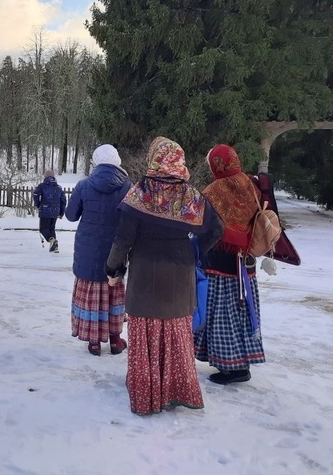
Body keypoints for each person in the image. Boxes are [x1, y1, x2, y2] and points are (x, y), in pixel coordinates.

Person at [105, 137, 223, 415]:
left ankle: (146, 392)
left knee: (146, 333)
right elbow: (216, 230)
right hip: (180, 277)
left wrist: (113, 269)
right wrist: (194, 250)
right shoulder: (192, 197)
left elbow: (122, 240)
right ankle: (175, 389)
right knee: (175, 334)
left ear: (155, 159)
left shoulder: (138, 194)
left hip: (145, 276)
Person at [194, 144, 266, 384]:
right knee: (242, 313)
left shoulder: (213, 191)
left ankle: (232, 367)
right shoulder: (251, 184)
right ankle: (240, 362)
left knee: (222, 314)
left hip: (220, 264)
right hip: (246, 264)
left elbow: (204, 227)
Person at [65, 144, 132, 355]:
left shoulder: (84, 185)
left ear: (96, 162)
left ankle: (93, 342)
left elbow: (70, 215)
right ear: (117, 162)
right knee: (114, 294)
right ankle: (115, 340)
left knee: (91, 294)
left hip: (88, 250)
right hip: (115, 249)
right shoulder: (127, 187)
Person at [33, 170, 67, 253]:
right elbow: (63, 201)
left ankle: (51, 240)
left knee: (43, 229)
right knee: (51, 229)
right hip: (55, 211)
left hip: (45, 210)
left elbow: (36, 194)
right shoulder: (59, 188)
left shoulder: (42, 186)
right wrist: (61, 212)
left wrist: (37, 204)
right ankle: (55, 247)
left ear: (45, 177)